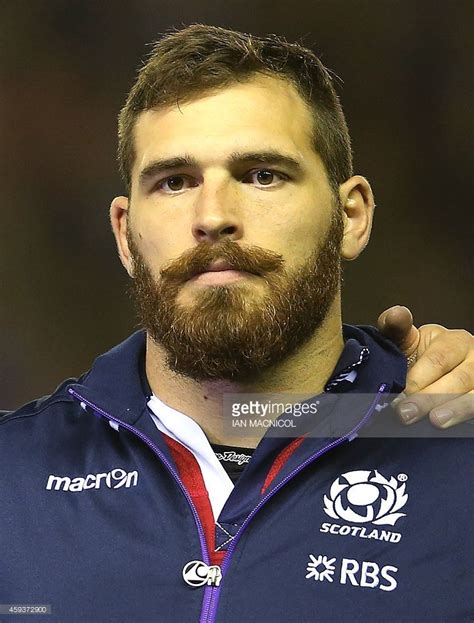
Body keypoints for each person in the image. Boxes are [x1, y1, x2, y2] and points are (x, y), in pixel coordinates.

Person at [1, 24, 472, 623]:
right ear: (125, 234)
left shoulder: (460, 445)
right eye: (174, 182)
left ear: (350, 216)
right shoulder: (9, 477)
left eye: (262, 174)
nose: (214, 217)